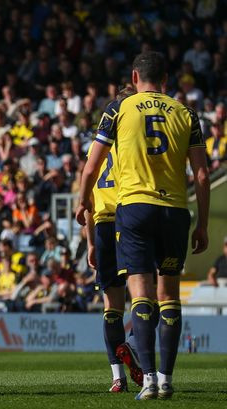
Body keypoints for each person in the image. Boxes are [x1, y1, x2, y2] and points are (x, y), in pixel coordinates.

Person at [76, 51, 210, 400]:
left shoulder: (119, 108)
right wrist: (203, 224)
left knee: (141, 295)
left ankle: (147, 380)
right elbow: (202, 175)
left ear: (135, 78)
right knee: (170, 297)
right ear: (166, 80)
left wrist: (82, 200)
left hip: (135, 207)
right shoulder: (186, 113)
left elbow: (91, 167)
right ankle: (166, 379)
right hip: (175, 210)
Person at [84, 87, 143, 393]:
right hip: (128, 217)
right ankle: (136, 348)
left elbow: (86, 204)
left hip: (102, 225)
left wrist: (91, 243)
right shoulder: (131, 143)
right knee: (147, 295)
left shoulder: (94, 149)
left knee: (112, 307)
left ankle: (117, 377)